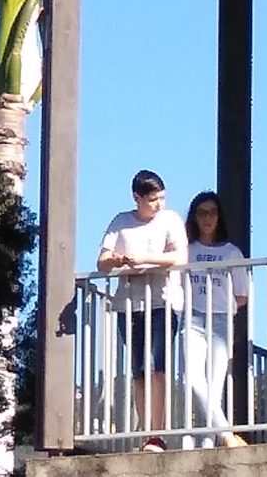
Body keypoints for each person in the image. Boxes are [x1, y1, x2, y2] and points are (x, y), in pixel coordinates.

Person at [98, 169, 187, 451]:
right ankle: (146, 430)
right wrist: (117, 259)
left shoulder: (170, 219)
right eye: (152, 200)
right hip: (129, 304)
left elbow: (180, 257)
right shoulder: (121, 222)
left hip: (163, 302)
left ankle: (157, 433)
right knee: (139, 370)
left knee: (156, 366)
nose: (158, 204)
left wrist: (144, 260)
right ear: (137, 198)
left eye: (161, 198)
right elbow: (102, 261)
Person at [182, 192, 250, 448]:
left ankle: (208, 442)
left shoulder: (232, 252)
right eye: (201, 212)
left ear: (219, 216)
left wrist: (223, 305)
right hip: (193, 319)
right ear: (194, 217)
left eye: (212, 212)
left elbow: (242, 295)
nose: (207, 218)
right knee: (194, 377)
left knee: (214, 385)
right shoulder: (188, 251)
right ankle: (225, 434)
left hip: (221, 320)